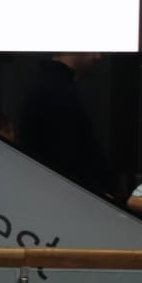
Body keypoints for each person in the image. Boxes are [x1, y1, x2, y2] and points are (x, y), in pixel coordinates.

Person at [16, 53, 114, 199]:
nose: (98, 56)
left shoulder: (52, 87)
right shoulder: (55, 91)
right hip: (64, 199)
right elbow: (65, 155)